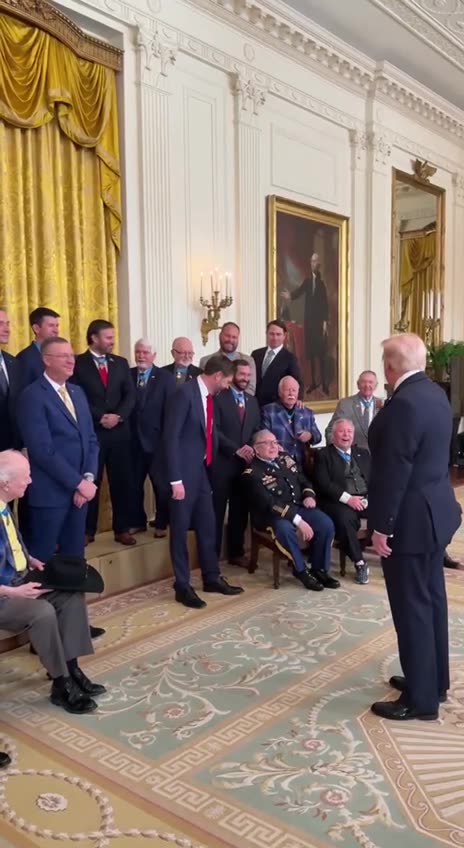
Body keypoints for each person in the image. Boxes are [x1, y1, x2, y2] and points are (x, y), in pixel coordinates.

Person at [369, 333, 461, 721]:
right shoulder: (435, 393)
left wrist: (381, 527)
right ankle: (432, 681)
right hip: (435, 514)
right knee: (431, 600)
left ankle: (420, 701)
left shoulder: (403, 403)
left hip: (409, 523)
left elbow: (395, 471)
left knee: (412, 609)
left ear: (390, 367)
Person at [0, 450, 105, 714]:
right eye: (26, 476)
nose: (30, 481)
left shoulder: (4, 505)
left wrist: (28, 559)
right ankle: (61, 683)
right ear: (5, 483)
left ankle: (72, 667)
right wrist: (13, 591)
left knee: (71, 594)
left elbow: (9, 544)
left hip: (19, 579)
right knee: (43, 612)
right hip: (4, 593)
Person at [163, 355, 244, 608]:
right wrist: (175, 479)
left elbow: (209, 433)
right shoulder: (184, 394)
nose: (228, 386)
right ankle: (182, 585)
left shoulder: (210, 397)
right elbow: (171, 438)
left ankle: (211, 577)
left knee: (208, 525)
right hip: (182, 475)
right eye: (227, 381)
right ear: (218, 376)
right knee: (179, 530)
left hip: (201, 472)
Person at [17, 337, 99, 562]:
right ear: (46, 360)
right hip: (50, 496)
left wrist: (88, 479)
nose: (71, 361)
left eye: (71, 355)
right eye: (64, 356)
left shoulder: (77, 392)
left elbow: (91, 440)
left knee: (74, 561)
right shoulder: (32, 396)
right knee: (41, 561)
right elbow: (42, 450)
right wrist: (78, 483)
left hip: (80, 494)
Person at [243, 430, 339, 591]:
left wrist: (309, 495)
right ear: (256, 449)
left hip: (298, 506)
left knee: (325, 523)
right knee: (285, 529)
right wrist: (299, 521)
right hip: (272, 515)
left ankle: (319, 569)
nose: (273, 446)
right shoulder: (252, 473)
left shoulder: (285, 459)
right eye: (267, 443)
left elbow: (303, 480)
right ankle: (301, 570)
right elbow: (270, 504)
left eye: (275, 442)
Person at [71, 320, 136, 546]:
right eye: (108, 337)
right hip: (93, 433)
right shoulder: (78, 363)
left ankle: (122, 528)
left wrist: (118, 416)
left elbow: (130, 395)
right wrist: (101, 417)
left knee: (121, 482)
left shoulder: (121, 363)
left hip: (120, 433)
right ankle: (87, 530)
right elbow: (76, 396)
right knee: (91, 480)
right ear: (94, 338)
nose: (112, 341)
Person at [212, 359, 260, 565]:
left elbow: (256, 429)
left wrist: (250, 447)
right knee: (216, 511)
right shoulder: (218, 397)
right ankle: (212, 556)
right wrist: (235, 449)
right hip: (222, 463)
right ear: (232, 375)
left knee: (239, 511)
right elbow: (214, 430)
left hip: (245, 466)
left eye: (248, 375)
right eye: (242, 374)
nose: (245, 379)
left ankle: (236, 553)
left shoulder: (252, 401)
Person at [313, 419, 371, 584]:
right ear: (333, 435)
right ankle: (359, 563)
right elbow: (323, 484)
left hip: (365, 498)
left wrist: (370, 498)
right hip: (337, 501)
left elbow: (375, 479)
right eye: (341, 431)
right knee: (345, 520)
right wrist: (349, 499)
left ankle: (396, 554)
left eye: (349, 432)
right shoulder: (323, 455)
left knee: (393, 510)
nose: (346, 435)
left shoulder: (363, 453)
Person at [129, 338, 176, 537]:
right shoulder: (127, 374)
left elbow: (171, 412)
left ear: (154, 355)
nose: (141, 356)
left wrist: (167, 441)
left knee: (161, 485)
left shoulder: (165, 378)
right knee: (133, 485)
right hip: (132, 441)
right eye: (138, 352)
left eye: (145, 352)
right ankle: (137, 522)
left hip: (157, 442)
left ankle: (161, 523)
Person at [281, 253, 329, 394]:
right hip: (309, 323)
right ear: (310, 263)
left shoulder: (321, 284)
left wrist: (325, 323)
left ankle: (324, 384)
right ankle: (314, 382)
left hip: (319, 324)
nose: (314, 263)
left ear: (319, 264)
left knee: (321, 355)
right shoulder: (307, 282)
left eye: (316, 261)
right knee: (312, 354)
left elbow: (325, 304)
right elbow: (299, 292)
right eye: (312, 261)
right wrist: (290, 296)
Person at [261, 375, 321, 465]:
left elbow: (318, 437)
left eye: (294, 390)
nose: (291, 393)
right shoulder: (269, 412)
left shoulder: (306, 412)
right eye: (287, 390)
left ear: (298, 393)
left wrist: (310, 436)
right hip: (279, 462)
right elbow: (264, 439)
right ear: (280, 392)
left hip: (303, 463)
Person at [325, 370, 381, 449]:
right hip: (352, 454)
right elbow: (331, 431)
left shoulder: (383, 405)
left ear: (376, 386)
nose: (367, 385)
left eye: (370, 382)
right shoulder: (345, 404)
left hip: (378, 454)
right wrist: (337, 452)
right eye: (363, 382)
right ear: (358, 385)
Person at [252, 320, 303, 407]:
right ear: (266, 334)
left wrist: (299, 399)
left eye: (278, 334)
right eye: (271, 334)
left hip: (276, 408)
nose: (275, 338)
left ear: (284, 336)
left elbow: (298, 381)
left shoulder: (290, 358)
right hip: (255, 405)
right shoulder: (256, 354)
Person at [199, 322, 257, 395]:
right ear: (220, 336)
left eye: (234, 337)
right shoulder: (205, 361)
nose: (230, 340)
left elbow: (250, 390)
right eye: (227, 336)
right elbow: (203, 388)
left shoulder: (248, 360)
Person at [16, 307, 60, 389]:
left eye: (57, 326)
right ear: (36, 328)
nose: (56, 330)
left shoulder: (61, 355)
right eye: (51, 326)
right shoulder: (25, 358)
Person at [0, 309, 20, 452]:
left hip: (13, 447)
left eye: (7, 324)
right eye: (0, 324)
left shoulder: (14, 363)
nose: (7, 329)